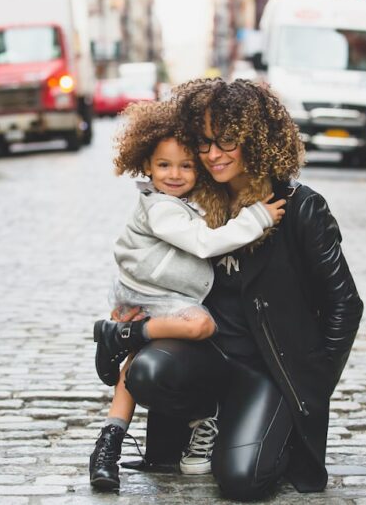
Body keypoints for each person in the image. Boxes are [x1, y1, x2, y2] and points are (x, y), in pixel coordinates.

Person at [122, 78, 364, 500]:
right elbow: (147, 261)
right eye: (205, 142)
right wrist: (130, 308)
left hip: (268, 370)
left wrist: (311, 385)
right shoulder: (194, 201)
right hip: (208, 357)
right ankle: (209, 419)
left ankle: (269, 428)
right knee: (147, 373)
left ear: (256, 139)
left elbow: (345, 303)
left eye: (227, 141)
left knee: (240, 481)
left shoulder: (300, 207)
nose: (213, 154)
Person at [89, 99, 286, 491]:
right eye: (164, 166)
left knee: (135, 360)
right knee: (200, 324)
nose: (175, 174)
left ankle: (107, 442)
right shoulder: (160, 208)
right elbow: (203, 243)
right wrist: (258, 218)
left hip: (152, 291)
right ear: (146, 165)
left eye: (186, 165)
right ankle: (129, 338)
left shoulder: (182, 201)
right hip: (155, 293)